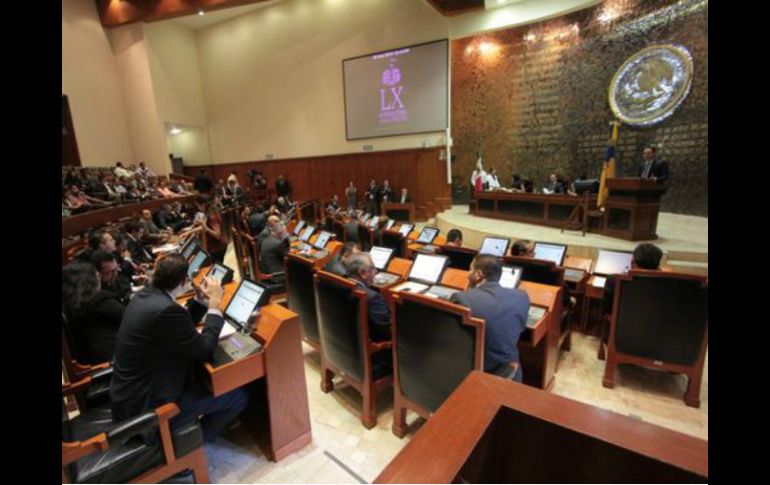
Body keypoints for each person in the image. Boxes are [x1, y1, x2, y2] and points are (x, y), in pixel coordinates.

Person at [109, 254, 248, 443]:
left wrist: (200, 301)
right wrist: (215, 305)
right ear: (183, 282)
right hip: (151, 409)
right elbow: (205, 349)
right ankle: (187, 447)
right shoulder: (166, 310)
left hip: (131, 397)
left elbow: (177, 328)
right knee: (237, 397)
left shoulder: (144, 296)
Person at [450, 255, 529, 382]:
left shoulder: (462, 298)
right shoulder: (522, 296)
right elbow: (521, 327)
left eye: (470, 270)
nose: (468, 274)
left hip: (475, 371)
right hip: (509, 369)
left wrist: (469, 291)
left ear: (478, 274)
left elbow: (456, 339)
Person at [62, 261, 126, 365]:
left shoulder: (68, 307)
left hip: (92, 363)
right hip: (118, 359)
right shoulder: (100, 300)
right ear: (90, 280)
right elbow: (132, 320)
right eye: (98, 275)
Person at [602, 243, 664, 317]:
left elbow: (607, 312)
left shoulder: (613, 280)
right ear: (657, 267)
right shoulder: (666, 284)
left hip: (621, 323)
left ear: (633, 262)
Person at [346, 253, 391, 343]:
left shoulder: (341, 284)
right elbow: (388, 331)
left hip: (349, 339)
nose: (376, 271)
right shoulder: (372, 298)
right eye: (373, 268)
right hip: (374, 343)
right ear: (362, 273)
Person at [195, 196, 229, 263]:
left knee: (216, 265)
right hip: (215, 247)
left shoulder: (212, 216)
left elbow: (217, 235)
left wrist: (205, 227)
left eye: (198, 206)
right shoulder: (208, 213)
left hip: (217, 248)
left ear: (203, 205)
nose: (198, 208)